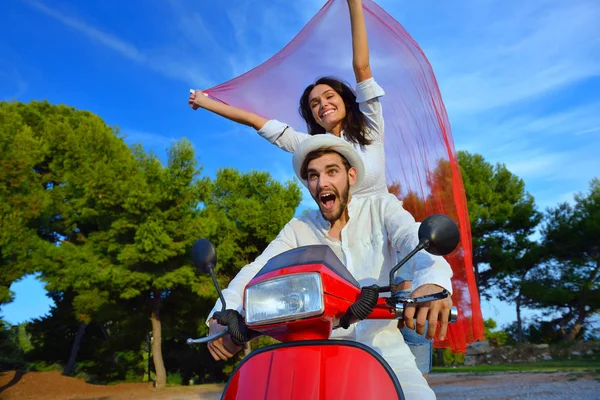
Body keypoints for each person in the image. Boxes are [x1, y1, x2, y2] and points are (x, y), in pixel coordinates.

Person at [189, 0, 434, 374]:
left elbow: (362, 67)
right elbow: (258, 122)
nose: (322, 105)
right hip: (336, 251)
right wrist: (207, 103)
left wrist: (354, 5)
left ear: (346, 102)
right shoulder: (308, 148)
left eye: (329, 97)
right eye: (314, 104)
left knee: (408, 350)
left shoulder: (370, 130)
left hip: (385, 237)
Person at [205, 134, 452, 399]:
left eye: (331, 171)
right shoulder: (298, 228)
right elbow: (258, 268)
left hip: (386, 350)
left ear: (351, 176)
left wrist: (432, 280)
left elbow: (412, 236)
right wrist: (222, 315)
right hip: (313, 354)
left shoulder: (381, 208)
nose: (322, 182)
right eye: (313, 176)